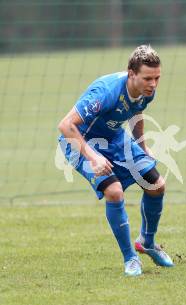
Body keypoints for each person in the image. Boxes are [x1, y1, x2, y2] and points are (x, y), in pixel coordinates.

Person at [57, 45, 174, 276]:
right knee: (114, 192)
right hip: (79, 142)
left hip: (114, 138)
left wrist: (142, 146)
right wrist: (93, 157)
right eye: (147, 78)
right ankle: (130, 258)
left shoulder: (147, 91)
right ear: (131, 74)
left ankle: (147, 242)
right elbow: (66, 125)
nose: (153, 84)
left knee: (156, 185)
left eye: (157, 78)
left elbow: (137, 113)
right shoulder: (106, 92)